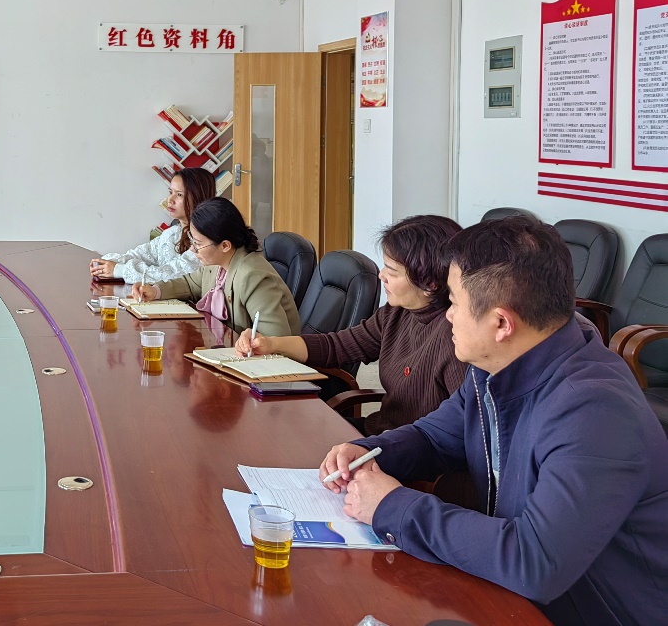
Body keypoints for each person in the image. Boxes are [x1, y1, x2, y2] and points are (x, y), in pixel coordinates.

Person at [320, 217, 668, 626]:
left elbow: (534, 561)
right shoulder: (497, 367)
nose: (447, 316)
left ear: (501, 323)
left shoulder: (595, 412)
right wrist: (365, 452)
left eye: (454, 303)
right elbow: (435, 437)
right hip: (514, 595)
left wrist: (392, 506)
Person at [235, 214, 466, 432]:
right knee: (275, 428)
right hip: (379, 435)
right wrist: (271, 344)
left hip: (405, 450)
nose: (381, 276)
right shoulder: (396, 313)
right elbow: (337, 346)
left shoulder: (457, 339)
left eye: (392, 272)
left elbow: (459, 434)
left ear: (430, 283)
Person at [132, 197, 299, 337]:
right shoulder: (216, 263)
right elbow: (190, 283)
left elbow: (276, 340)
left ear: (225, 245)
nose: (193, 249)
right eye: (193, 241)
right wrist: (155, 291)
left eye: (198, 244)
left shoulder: (252, 276)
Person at [91, 167, 216, 284]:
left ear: (198, 197)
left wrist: (119, 270)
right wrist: (105, 264)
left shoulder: (205, 240)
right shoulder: (172, 233)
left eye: (179, 194)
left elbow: (170, 275)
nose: (170, 200)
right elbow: (139, 254)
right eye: (170, 192)